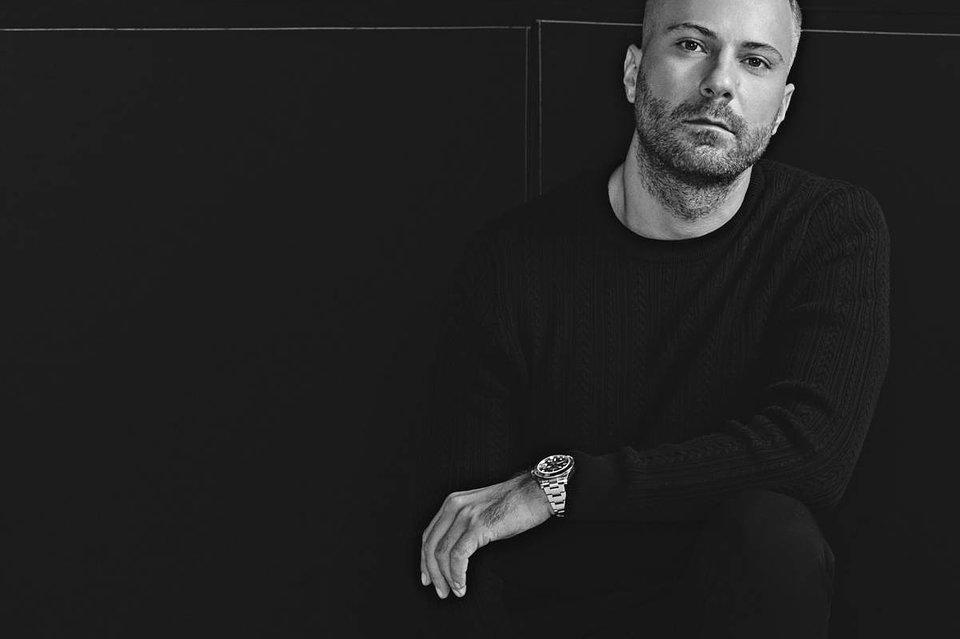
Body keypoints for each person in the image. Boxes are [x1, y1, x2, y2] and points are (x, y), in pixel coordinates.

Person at [415, 0, 889, 636]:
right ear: (634, 73)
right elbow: (466, 526)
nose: (720, 82)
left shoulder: (828, 232)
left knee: (774, 533)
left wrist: (561, 485)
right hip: (558, 615)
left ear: (781, 108)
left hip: (729, 609)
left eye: (755, 61)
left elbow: (812, 454)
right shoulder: (511, 262)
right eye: (691, 45)